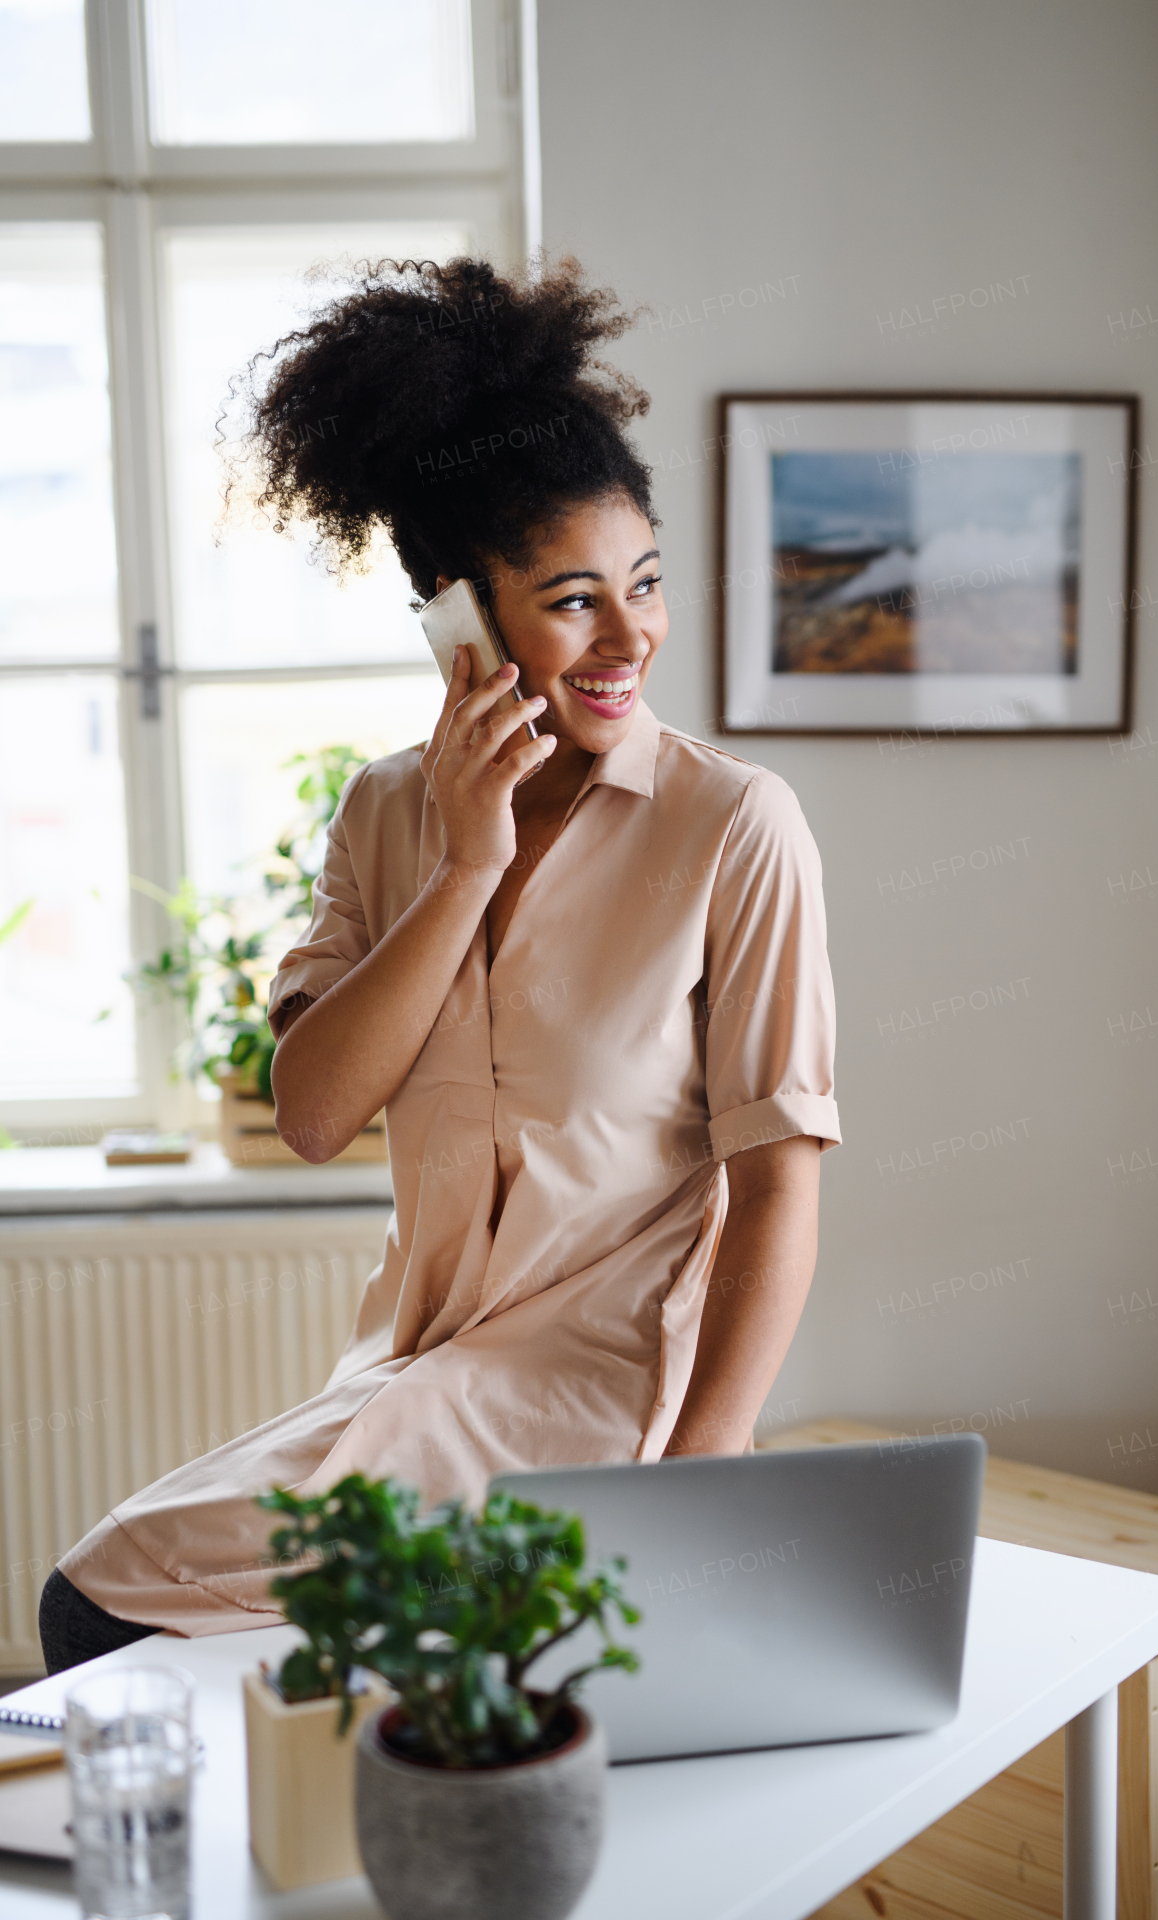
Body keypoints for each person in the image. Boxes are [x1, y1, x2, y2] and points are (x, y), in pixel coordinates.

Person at [40, 257, 839, 1674]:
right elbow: (313, 1113)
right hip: (410, 1385)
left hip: (597, 1412)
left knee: (99, 1609)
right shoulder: (386, 817)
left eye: (643, 585)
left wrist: (704, 1476)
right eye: (573, 599)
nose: (631, 636)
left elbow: (780, 1176)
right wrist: (466, 863)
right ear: (457, 616)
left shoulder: (737, 828)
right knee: (102, 1599)